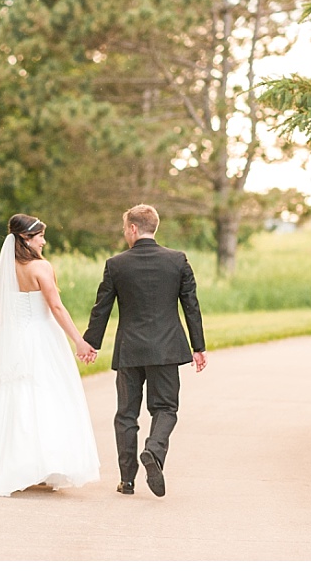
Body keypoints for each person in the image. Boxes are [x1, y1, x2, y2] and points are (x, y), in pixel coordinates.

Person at [0, 214, 101, 496]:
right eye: (39, 236)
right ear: (25, 239)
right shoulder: (42, 268)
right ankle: (40, 465)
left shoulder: (0, 271)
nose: (44, 241)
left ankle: (8, 463)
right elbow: (56, 307)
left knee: (11, 399)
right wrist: (79, 341)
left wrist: (6, 340)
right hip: (42, 339)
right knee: (47, 396)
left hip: (12, 338)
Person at [83, 204, 207, 497]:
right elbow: (191, 305)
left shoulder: (116, 264)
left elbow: (102, 308)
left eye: (125, 228)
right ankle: (154, 449)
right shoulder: (177, 261)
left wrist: (92, 342)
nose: (125, 233)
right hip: (166, 349)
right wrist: (198, 346)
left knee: (126, 414)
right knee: (165, 408)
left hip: (129, 351)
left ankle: (127, 481)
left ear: (134, 229)